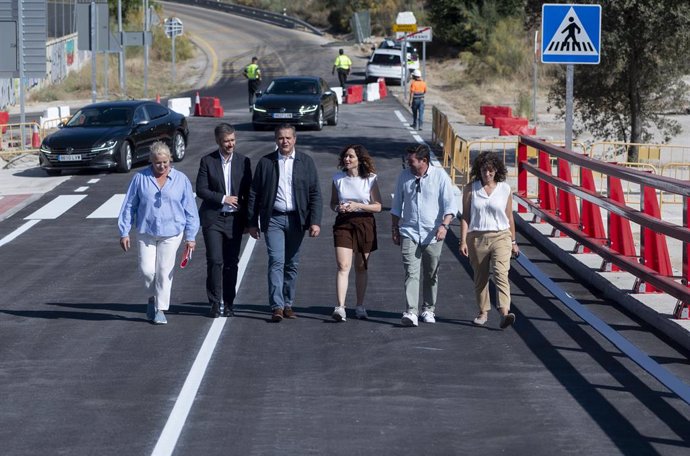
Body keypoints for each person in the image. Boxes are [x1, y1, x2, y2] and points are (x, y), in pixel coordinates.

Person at [118, 141, 199, 325]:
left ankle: (160, 309)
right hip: (146, 231)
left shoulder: (181, 180)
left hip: (172, 233)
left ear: (170, 160)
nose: (161, 166)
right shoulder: (140, 178)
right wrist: (124, 232)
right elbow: (129, 205)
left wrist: (191, 237)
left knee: (163, 270)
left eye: (165, 162)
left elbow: (190, 210)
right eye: (157, 163)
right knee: (147, 271)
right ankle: (151, 298)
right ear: (151, 162)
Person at [248, 124, 322, 322]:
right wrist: (252, 222)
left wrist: (315, 222)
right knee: (276, 261)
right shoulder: (266, 163)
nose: (285, 141)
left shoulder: (306, 162)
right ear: (276, 140)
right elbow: (254, 193)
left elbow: (315, 193)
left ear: (295, 139)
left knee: (292, 263)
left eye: (288, 137)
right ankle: (277, 306)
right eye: (281, 138)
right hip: (274, 219)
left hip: (297, 220)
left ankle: (288, 303)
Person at [391, 144, 456, 327]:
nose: (408, 165)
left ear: (424, 161)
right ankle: (411, 311)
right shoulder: (404, 177)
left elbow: (450, 206)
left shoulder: (440, 176)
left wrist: (444, 226)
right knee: (411, 272)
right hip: (409, 232)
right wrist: (395, 229)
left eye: (411, 161)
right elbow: (396, 205)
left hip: (432, 234)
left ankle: (428, 309)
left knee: (431, 273)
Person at [196, 123, 252, 318]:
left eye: (233, 140)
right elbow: (201, 189)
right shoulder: (207, 161)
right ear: (218, 141)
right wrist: (223, 198)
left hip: (235, 221)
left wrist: (249, 221)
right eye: (227, 141)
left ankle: (228, 303)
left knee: (231, 263)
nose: (231, 144)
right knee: (214, 261)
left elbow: (248, 193)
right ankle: (214, 302)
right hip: (214, 219)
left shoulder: (243, 161)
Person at [459, 151, 519, 329]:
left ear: (496, 171)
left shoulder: (505, 189)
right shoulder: (471, 188)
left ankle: (504, 313)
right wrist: (462, 241)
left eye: (491, 171)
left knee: (501, 273)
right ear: (479, 170)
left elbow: (509, 217)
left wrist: (514, 242)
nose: (487, 174)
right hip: (477, 237)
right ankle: (483, 312)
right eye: (484, 170)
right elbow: (465, 216)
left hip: (501, 236)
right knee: (481, 277)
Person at [330, 144, 382, 322]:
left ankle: (359, 305)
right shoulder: (338, 179)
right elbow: (333, 203)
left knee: (361, 266)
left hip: (365, 222)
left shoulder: (371, 179)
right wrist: (339, 207)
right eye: (345, 156)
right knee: (343, 265)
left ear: (359, 160)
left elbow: (378, 206)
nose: (347, 159)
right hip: (344, 223)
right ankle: (340, 307)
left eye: (351, 156)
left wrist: (357, 205)